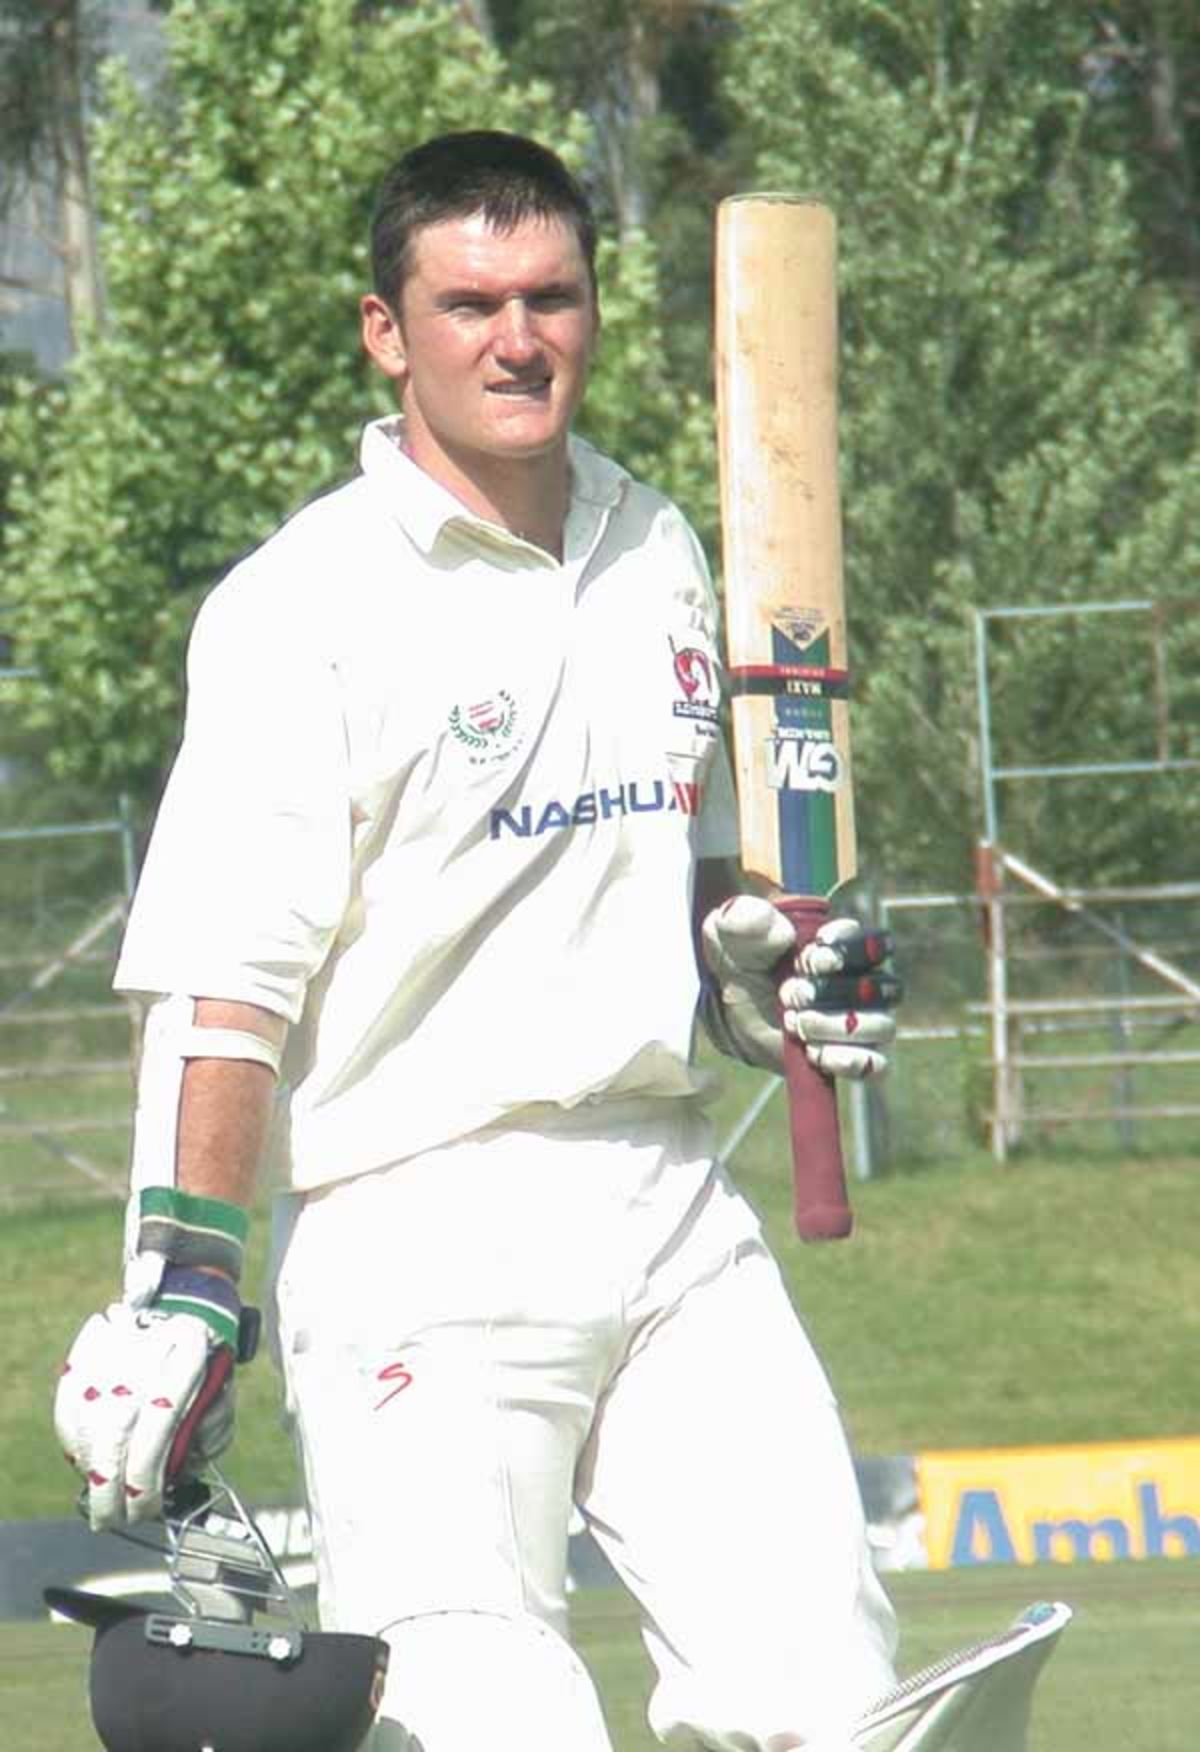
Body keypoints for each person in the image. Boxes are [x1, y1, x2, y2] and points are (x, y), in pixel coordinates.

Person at [55, 130, 902, 1752]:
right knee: (492, 1713)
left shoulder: (660, 548)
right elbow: (227, 993)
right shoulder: (300, 607)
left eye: (553, 296)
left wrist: (771, 978)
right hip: (414, 1231)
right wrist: (181, 1282)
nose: (519, 338)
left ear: (593, 308)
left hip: (666, 1201)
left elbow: (700, 890)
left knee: (832, 1686)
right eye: (469, 302)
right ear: (388, 332)